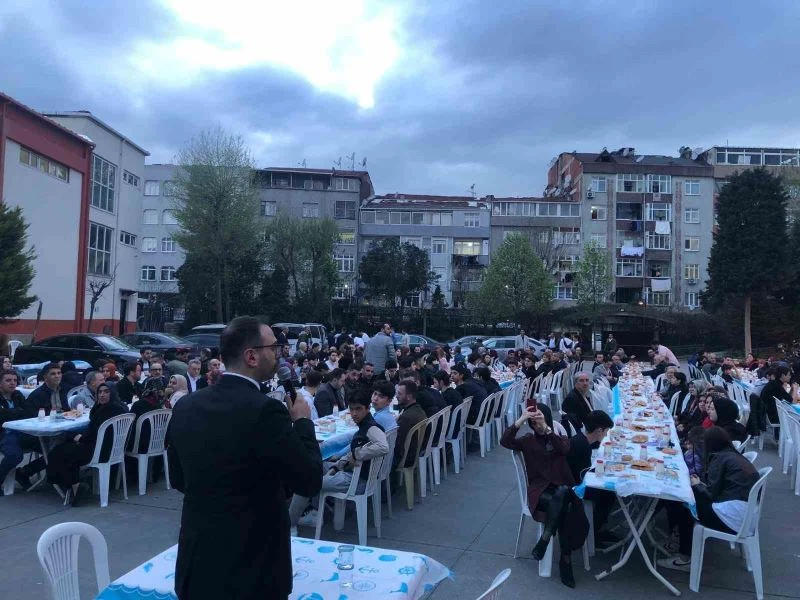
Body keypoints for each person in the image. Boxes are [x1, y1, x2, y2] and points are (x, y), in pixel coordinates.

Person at [167, 316, 322, 600]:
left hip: (197, 561)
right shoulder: (265, 411)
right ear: (252, 356)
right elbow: (309, 480)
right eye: (273, 348)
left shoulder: (186, 405)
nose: (278, 354)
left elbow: (178, 478)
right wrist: (302, 423)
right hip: (252, 568)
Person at [500, 403, 588, 587]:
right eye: (533, 420)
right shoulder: (527, 440)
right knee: (567, 500)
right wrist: (521, 419)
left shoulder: (557, 438)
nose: (535, 423)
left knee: (564, 495)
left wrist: (546, 428)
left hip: (561, 490)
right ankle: (565, 561)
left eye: (539, 417)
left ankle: (545, 540)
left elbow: (565, 450)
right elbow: (505, 441)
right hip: (540, 492)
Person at [659, 427, 759, 571]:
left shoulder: (719, 459)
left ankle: (684, 556)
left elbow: (711, 494)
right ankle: (677, 540)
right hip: (744, 513)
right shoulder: (731, 455)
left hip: (731, 516)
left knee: (685, 501)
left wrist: (697, 485)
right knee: (688, 496)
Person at [289, 389, 388, 528]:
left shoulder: (371, 428)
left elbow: (383, 446)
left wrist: (357, 454)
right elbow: (354, 451)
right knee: (315, 466)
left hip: (356, 480)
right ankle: (316, 509)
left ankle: (291, 523)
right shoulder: (364, 426)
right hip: (352, 473)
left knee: (307, 481)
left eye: (358, 409)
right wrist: (338, 465)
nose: (354, 414)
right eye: (351, 409)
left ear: (367, 408)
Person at [46, 382, 127, 505]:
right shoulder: (120, 407)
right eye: (99, 392)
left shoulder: (106, 411)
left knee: (57, 452)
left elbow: (93, 435)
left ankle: (75, 485)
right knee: (65, 449)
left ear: (113, 393)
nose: (102, 395)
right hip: (114, 450)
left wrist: (78, 437)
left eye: (106, 392)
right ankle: (75, 485)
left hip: (98, 451)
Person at [566, 410, 617, 546]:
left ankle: (598, 528)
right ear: (599, 430)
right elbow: (583, 476)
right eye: (606, 432)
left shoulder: (581, 439)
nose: (607, 435)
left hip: (574, 480)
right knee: (609, 494)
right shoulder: (583, 446)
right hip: (574, 489)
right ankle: (594, 533)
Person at [0, 369, 35, 494]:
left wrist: (12, 413)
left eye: (15, 380)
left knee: (51, 446)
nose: (12, 383)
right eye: (8, 380)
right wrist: (19, 412)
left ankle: (26, 472)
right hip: (4, 434)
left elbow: (30, 412)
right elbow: (2, 416)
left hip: (23, 433)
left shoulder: (18, 395)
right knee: (15, 455)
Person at [392, 380, 427, 471]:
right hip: (415, 452)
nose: (396, 396)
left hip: (406, 458)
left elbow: (397, 443)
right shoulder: (418, 409)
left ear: (409, 396)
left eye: (399, 394)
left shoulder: (406, 418)